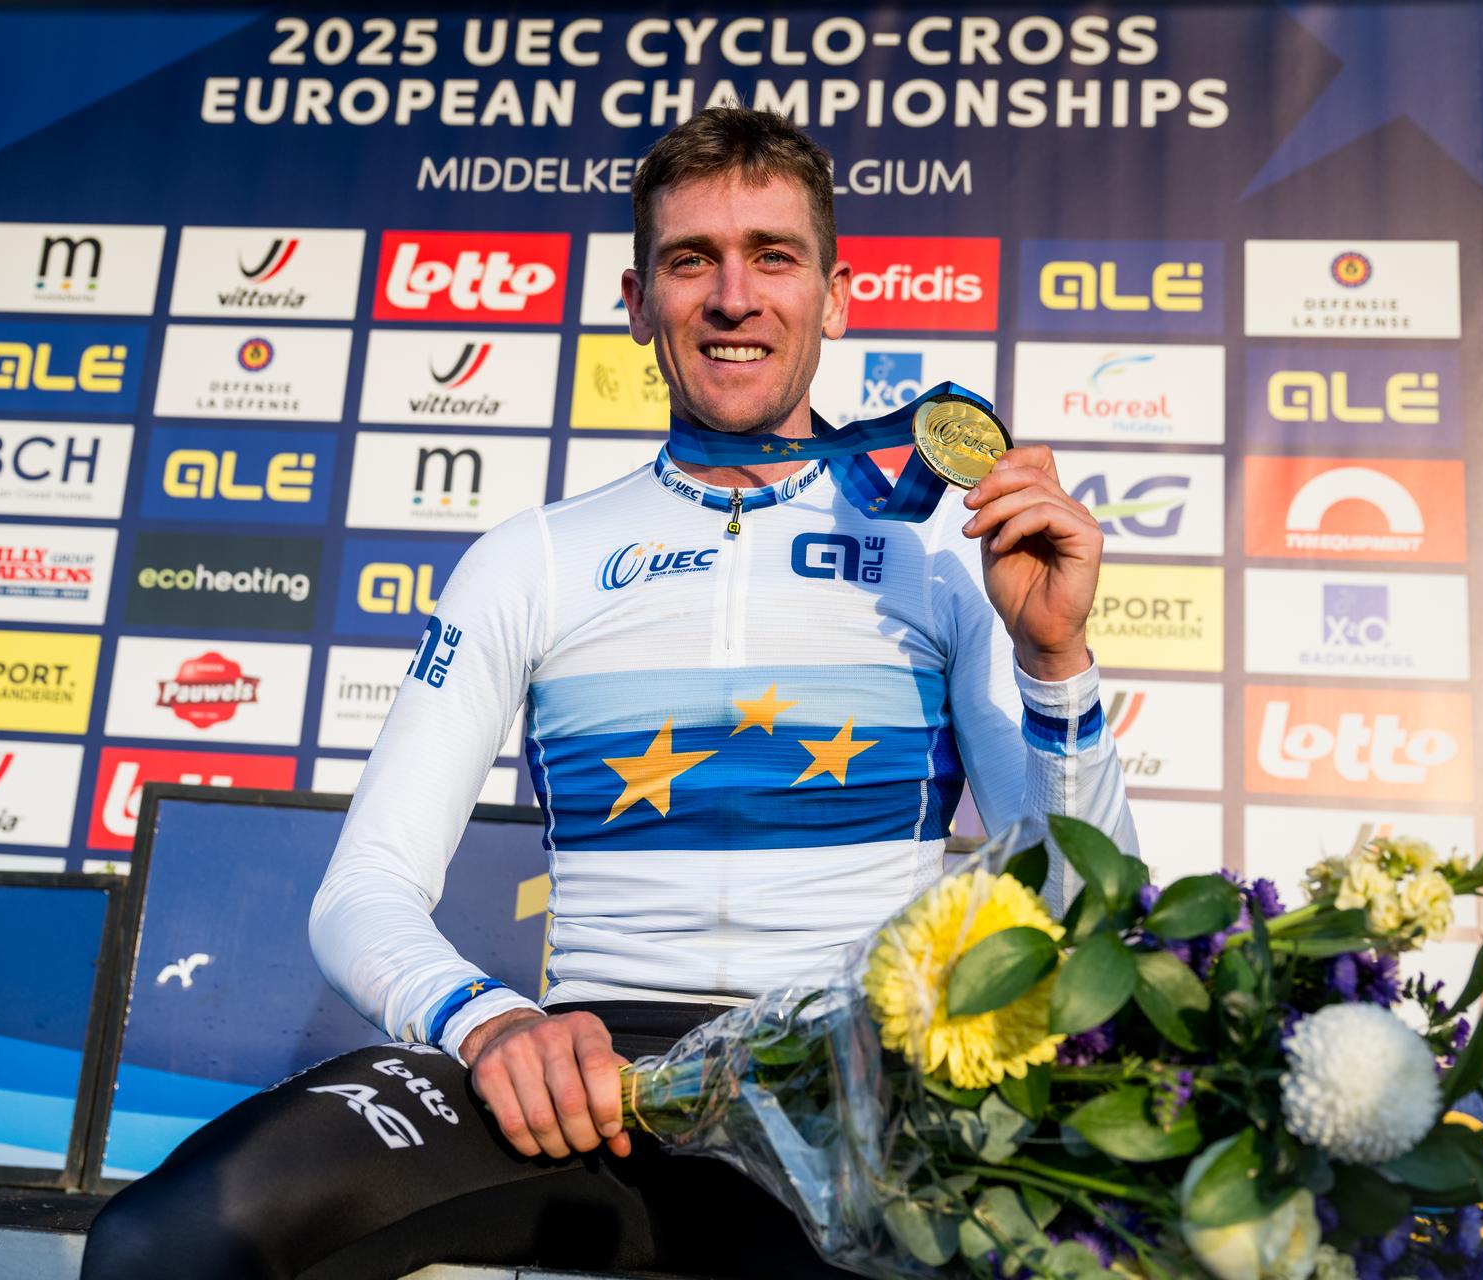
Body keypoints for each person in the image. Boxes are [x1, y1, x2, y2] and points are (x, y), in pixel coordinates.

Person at [82, 107, 1136, 1279]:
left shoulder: (947, 555)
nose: (733, 297)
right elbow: (362, 894)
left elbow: (1092, 904)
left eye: (773, 256)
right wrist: (488, 1019)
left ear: (835, 297)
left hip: (849, 1081)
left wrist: (1054, 658)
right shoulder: (532, 557)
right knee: (164, 1242)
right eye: (692, 260)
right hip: (588, 1086)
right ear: (638, 302)